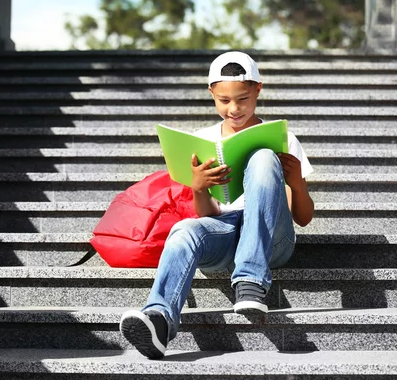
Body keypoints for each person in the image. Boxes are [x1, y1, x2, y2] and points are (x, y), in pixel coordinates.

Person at [119, 51, 315, 359]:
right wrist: (198, 188)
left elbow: (302, 218)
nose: (234, 109)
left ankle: (251, 280)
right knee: (184, 229)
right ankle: (159, 319)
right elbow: (207, 214)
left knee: (263, 157)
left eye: (243, 99)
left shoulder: (283, 139)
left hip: (272, 239)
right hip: (224, 231)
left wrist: (297, 183)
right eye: (224, 100)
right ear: (212, 93)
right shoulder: (202, 140)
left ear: (258, 90)